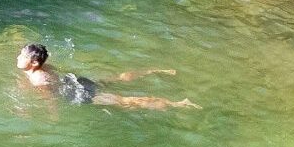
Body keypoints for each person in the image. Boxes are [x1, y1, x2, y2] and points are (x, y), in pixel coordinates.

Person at [15, 43, 193, 110]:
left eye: (22, 56)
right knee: (118, 78)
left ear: (34, 63)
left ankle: (177, 103)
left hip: (80, 94)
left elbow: (50, 99)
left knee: (123, 101)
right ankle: (156, 71)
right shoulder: (47, 67)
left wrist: (52, 117)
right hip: (79, 81)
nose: (17, 57)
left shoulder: (37, 79)